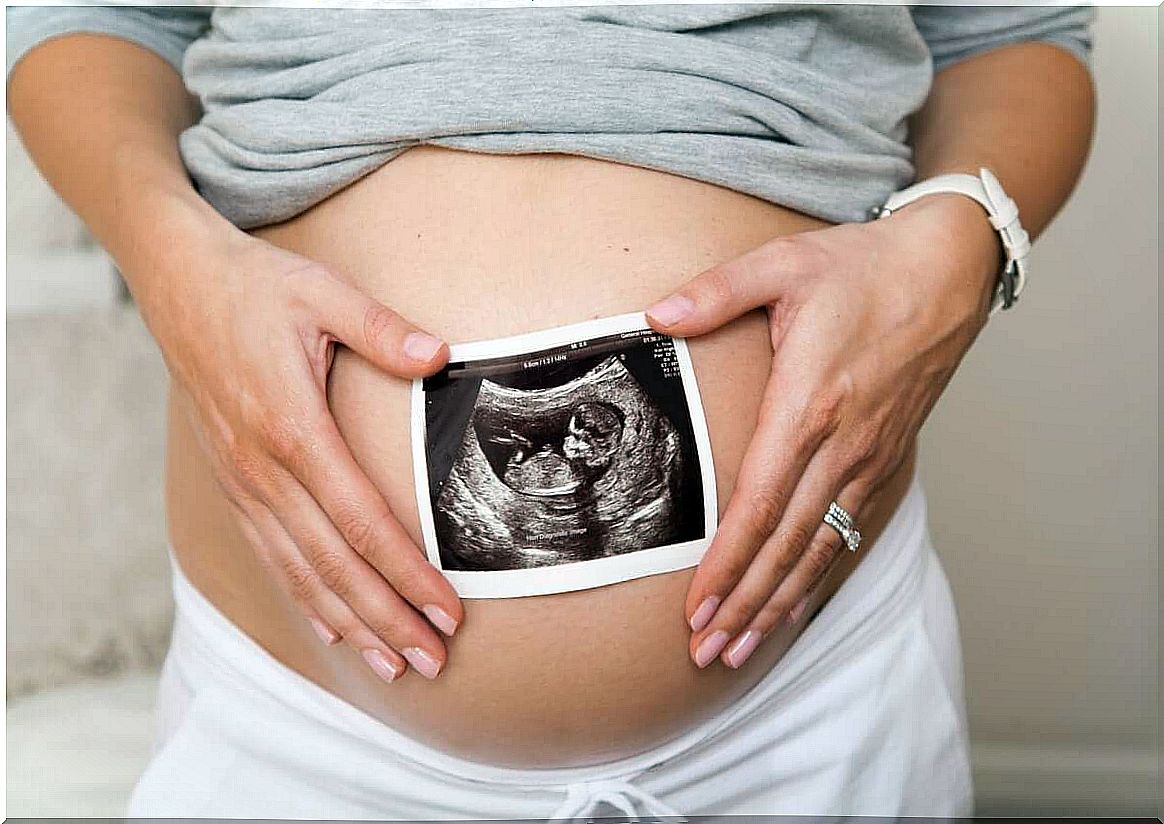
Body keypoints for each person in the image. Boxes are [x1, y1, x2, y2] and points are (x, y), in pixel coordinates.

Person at [6, 3, 1095, 819]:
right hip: (308, 717)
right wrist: (167, 258)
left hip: (807, 708)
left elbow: (1019, 31)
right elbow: (88, 18)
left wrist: (960, 241)